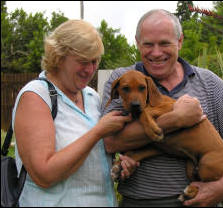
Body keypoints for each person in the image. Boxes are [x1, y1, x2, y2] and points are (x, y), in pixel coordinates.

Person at [101, 9, 223, 207]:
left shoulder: (209, 82)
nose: (156, 52)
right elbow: (109, 142)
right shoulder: (124, 80)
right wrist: (176, 119)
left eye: (164, 43)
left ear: (179, 42)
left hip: (200, 201)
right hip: (140, 202)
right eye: (148, 44)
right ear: (137, 43)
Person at [12, 19, 136, 207]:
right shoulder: (36, 96)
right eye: (83, 62)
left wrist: (118, 166)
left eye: (95, 61)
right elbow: (44, 174)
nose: (90, 69)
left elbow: (89, 159)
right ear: (59, 57)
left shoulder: (91, 96)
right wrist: (98, 132)